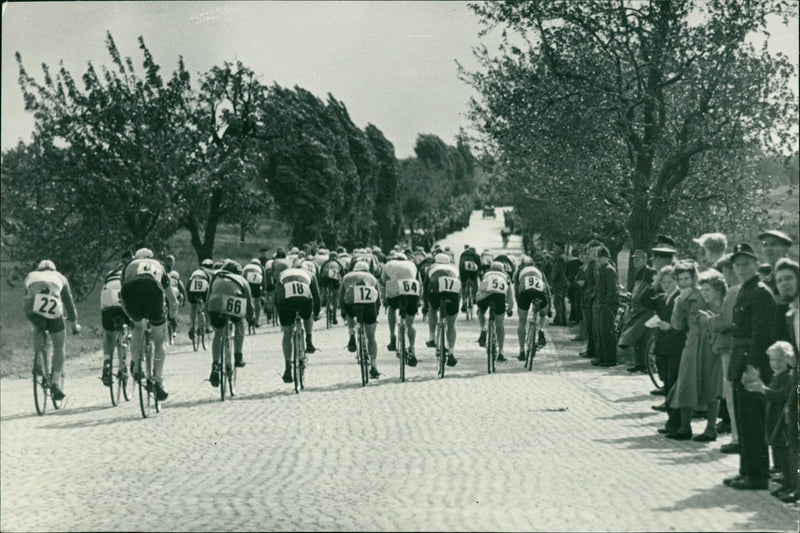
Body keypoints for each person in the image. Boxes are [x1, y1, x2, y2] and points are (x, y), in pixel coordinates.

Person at [725, 243, 776, 491]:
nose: (741, 269)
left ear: (755, 264)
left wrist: (752, 367)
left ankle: (757, 475)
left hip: (750, 363)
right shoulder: (744, 290)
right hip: (739, 359)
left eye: (746, 264)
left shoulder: (760, 292)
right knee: (744, 420)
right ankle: (746, 470)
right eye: (737, 265)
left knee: (753, 421)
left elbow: (762, 335)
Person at [120, 248, 178, 401]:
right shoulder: (159, 265)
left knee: (138, 326)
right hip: (153, 292)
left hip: (131, 291)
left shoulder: (129, 266)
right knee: (159, 342)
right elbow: (173, 300)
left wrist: (130, 318)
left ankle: (135, 364)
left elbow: (122, 295)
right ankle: (158, 380)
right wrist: (172, 318)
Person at [742, 341, 797, 501]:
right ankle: (787, 484)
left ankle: (793, 485)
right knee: (780, 455)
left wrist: (762, 388)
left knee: (788, 457)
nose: (776, 364)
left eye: (779, 360)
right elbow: (769, 398)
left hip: (784, 422)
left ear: (788, 359)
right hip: (775, 420)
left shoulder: (789, 377)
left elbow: (780, 396)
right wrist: (758, 387)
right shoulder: (777, 376)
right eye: (772, 360)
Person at [24, 260, 81, 401]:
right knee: (59, 345)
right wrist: (74, 324)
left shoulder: (31, 275)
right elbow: (69, 303)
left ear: (39, 269)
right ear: (54, 270)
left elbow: (26, 297)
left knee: (38, 328)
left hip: (32, 305)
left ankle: (38, 362)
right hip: (54, 307)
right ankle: (55, 383)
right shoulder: (61, 277)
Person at [641, 266, 686, 432]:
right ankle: (671, 421)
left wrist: (672, 328)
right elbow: (642, 300)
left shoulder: (680, 297)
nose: (667, 285)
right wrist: (653, 283)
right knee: (667, 382)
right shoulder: (661, 297)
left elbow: (684, 324)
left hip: (676, 345)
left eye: (670, 281)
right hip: (662, 345)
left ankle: (676, 422)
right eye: (664, 282)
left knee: (674, 383)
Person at [711, 254, 742, 453]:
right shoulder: (741, 290)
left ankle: (737, 439)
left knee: (732, 396)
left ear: (729, 270)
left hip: (729, 348)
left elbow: (725, 322)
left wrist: (710, 320)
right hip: (735, 347)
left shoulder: (732, 292)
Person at [205, 260, 254, 386]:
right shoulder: (242, 280)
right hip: (234, 302)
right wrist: (251, 318)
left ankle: (215, 364)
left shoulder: (216, 276)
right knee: (240, 324)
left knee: (218, 334)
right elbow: (250, 305)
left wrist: (208, 317)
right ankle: (238, 356)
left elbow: (207, 299)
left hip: (215, 303)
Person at [694, 269, 727, 442]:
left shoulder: (724, 305)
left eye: (707, 290)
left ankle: (711, 427)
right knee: (710, 386)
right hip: (709, 348)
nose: (704, 293)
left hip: (720, 349)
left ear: (718, 289)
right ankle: (710, 426)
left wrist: (709, 320)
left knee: (716, 387)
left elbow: (724, 324)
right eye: (703, 290)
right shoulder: (707, 306)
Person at [275, 260, 321, 383]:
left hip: (286, 301)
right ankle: (309, 339)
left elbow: (276, 295)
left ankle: (288, 367)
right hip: (304, 300)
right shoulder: (310, 274)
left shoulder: (283, 273)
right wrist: (316, 313)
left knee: (287, 334)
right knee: (307, 315)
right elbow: (316, 296)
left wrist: (280, 316)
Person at [340, 261, 381, 378]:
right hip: (369, 306)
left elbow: (341, 298)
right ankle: (374, 366)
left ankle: (351, 334)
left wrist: (344, 312)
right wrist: (375, 314)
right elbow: (378, 299)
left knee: (349, 309)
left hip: (352, 305)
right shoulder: (372, 277)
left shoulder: (347, 277)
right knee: (371, 337)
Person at [619, 250, 657, 373]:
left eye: (638, 259)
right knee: (637, 338)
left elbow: (652, 290)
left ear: (645, 260)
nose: (636, 261)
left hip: (647, 310)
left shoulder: (650, 272)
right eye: (634, 259)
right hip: (637, 309)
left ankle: (649, 366)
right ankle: (639, 364)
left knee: (646, 338)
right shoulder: (638, 273)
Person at [100, 252, 133, 386]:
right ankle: (123, 366)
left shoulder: (110, 273)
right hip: (121, 297)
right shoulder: (131, 271)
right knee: (131, 327)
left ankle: (107, 363)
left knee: (108, 336)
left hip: (106, 300)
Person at [382, 252, 420, 366]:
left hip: (396, 291)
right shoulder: (412, 264)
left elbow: (383, 281)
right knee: (410, 323)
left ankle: (392, 336)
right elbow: (420, 282)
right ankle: (412, 348)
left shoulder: (389, 264)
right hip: (412, 291)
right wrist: (419, 300)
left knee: (392, 308)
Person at [424, 253, 461, 367]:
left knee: (433, 309)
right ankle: (451, 351)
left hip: (435, 288)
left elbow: (425, 286)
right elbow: (460, 288)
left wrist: (426, 305)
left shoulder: (431, 267)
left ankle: (431, 337)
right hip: (453, 291)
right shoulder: (454, 268)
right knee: (452, 323)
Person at [476, 261, 515, 361]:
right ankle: (501, 351)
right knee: (500, 322)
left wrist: (478, 304)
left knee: (480, 311)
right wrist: (510, 308)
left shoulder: (487, 274)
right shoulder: (506, 276)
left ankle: (483, 329)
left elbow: (480, 289)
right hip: (499, 297)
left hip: (485, 296)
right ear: (502, 269)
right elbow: (510, 294)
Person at [514, 255, 551, 360]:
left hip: (524, 294)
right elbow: (547, 288)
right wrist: (549, 307)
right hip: (539, 293)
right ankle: (541, 330)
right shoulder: (539, 270)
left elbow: (516, 291)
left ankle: (522, 350)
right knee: (543, 315)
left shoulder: (518, 272)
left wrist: (519, 305)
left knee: (522, 322)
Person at [591, 245, 619, 367]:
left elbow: (612, 291)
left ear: (606, 257)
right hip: (600, 303)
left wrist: (605, 305)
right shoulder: (601, 269)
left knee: (607, 332)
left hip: (607, 305)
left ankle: (609, 359)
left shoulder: (609, 270)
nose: (598, 259)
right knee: (599, 332)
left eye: (600, 257)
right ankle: (601, 356)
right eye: (597, 256)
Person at [758, 230, 793, 294]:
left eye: (773, 244)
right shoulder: (766, 276)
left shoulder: (794, 274)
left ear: (785, 249)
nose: (768, 249)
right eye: (765, 245)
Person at [188, 259, 214, 339]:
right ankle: (207, 327)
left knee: (193, 307)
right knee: (206, 306)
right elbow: (211, 287)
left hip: (192, 282)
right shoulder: (210, 272)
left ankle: (192, 326)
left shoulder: (196, 271)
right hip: (204, 283)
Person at [319, 252, 345, 325]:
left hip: (325, 278)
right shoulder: (339, 263)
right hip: (335, 278)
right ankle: (334, 317)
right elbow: (343, 275)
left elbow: (320, 273)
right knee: (335, 297)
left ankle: (323, 298)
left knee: (324, 286)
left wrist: (321, 285)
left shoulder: (325, 263)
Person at [242, 259, 266, 327]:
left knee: (247, 300)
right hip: (256, 284)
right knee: (257, 300)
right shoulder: (260, 267)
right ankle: (257, 321)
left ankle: (248, 316)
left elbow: (242, 277)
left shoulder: (246, 266)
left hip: (247, 283)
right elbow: (264, 280)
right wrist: (263, 290)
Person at [458, 246, 481, 315]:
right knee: (474, 281)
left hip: (463, 267)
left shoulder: (463, 253)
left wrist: (460, 275)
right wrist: (479, 273)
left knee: (463, 284)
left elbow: (460, 264)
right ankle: (474, 297)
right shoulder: (476, 255)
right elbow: (479, 266)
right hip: (473, 268)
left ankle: (464, 301)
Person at [550, 242, 568, 326]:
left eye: (555, 247)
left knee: (558, 302)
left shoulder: (560, 258)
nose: (554, 248)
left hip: (559, 282)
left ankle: (559, 320)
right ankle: (562, 320)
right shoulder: (560, 257)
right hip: (561, 282)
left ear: (561, 248)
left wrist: (553, 280)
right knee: (560, 301)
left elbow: (559, 272)